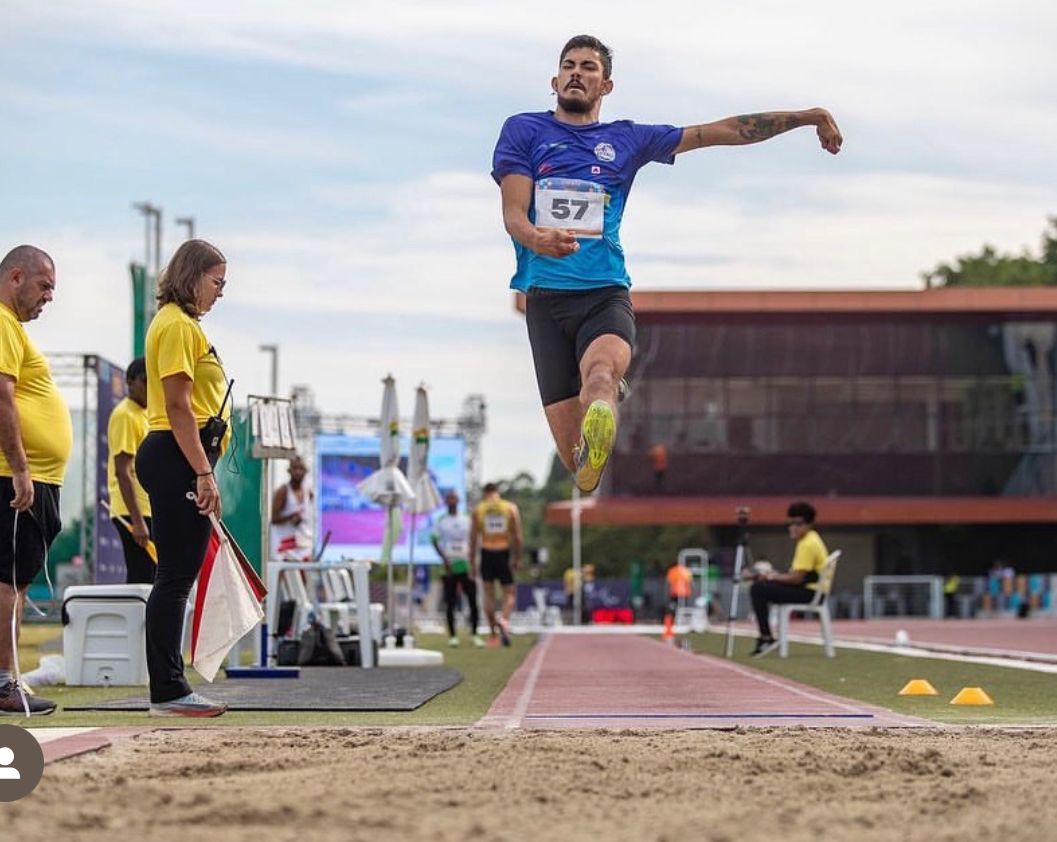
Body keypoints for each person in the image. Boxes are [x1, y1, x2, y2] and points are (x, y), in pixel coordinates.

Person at [492, 35, 842, 493]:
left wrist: (806, 117)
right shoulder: (525, 131)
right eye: (570, 65)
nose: (578, 72)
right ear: (555, 79)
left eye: (589, 67)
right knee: (581, 472)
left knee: (598, 374)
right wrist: (538, 237)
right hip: (545, 301)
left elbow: (720, 132)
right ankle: (600, 414)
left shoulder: (627, 139)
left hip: (603, 294)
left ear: (606, 86)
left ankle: (605, 388)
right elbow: (514, 214)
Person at [135, 239, 231, 717]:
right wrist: (202, 472)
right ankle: (169, 690)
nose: (220, 293)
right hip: (176, 456)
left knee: (175, 576)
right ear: (192, 277)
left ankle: (170, 686)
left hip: (180, 456)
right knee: (174, 577)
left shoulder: (183, 326)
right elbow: (178, 407)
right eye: (217, 283)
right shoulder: (175, 325)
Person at [0, 245, 70, 716]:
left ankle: (10, 680)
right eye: (44, 286)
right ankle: (4, 682)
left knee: (16, 582)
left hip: (35, 477)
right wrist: (22, 468)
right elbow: (1, 395)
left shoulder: (12, 329)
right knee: (6, 582)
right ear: (16, 276)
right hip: (18, 477)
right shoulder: (3, 322)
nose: (48, 297)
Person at [748, 501, 829, 657]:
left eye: (798, 524)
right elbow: (798, 576)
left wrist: (772, 577)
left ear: (809, 524)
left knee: (758, 589)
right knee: (763, 584)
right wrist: (773, 576)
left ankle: (766, 637)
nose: (793, 528)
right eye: (790, 523)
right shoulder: (811, 539)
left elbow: (797, 579)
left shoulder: (807, 544)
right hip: (811, 589)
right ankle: (766, 637)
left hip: (810, 593)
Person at [107, 357, 155, 584]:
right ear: (130, 382)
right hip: (133, 511)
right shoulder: (125, 414)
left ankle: (147, 621)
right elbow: (123, 471)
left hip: (147, 508)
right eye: (145, 380)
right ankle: (138, 621)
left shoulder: (146, 414)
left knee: (152, 577)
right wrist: (137, 520)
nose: (150, 387)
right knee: (142, 577)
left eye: (155, 381)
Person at [469, 482, 523, 647]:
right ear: (497, 492)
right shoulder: (510, 508)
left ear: (485, 493)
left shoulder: (479, 509)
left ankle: (493, 632)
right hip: (503, 551)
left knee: (488, 593)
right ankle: (504, 619)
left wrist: (472, 562)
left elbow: (473, 539)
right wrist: (517, 557)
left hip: (486, 552)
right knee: (510, 592)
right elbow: (518, 536)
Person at [431, 490, 483, 648]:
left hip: (466, 565)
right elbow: (434, 540)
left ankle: (474, 634)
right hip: (449, 566)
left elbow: (475, 540)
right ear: (446, 502)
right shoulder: (441, 521)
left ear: (458, 500)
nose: (452, 501)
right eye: (449, 499)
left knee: (473, 601)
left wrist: (473, 562)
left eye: (454, 498)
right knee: (450, 602)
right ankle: (453, 636)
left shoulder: (467, 519)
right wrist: (445, 560)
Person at [270, 455, 314, 559]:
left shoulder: (308, 492)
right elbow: (274, 519)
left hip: (302, 544)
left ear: (306, 471)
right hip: (284, 547)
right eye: (295, 469)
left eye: (301, 469)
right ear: (289, 471)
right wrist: (291, 517)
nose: (298, 472)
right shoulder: (283, 491)